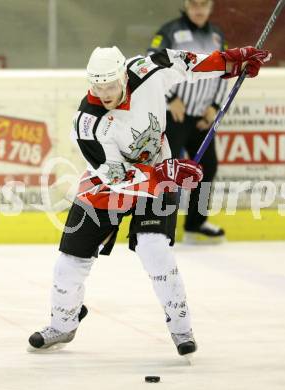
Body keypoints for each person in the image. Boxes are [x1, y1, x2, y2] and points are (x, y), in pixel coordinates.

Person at [28, 45, 271, 355]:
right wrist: (166, 174)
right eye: (97, 85)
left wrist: (232, 63)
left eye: (110, 85)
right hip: (109, 181)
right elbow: (117, 178)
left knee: (154, 248)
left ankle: (181, 329)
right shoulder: (87, 124)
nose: (104, 93)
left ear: (123, 76)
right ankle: (63, 324)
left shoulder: (148, 68)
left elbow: (191, 64)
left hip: (157, 169)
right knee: (70, 259)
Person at [148, 0, 229, 244]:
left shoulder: (217, 36)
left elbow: (224, 72)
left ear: (210, 6)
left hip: (203, 117)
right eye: (194, 4)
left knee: (208, 168)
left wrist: (214, 106)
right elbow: (151, 63)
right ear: (186, 4)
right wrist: (171, 98)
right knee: (167, 170)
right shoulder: (169, 31)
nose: (199, 9)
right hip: (175, 116)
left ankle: (195, 224)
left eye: (203, 4)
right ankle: (159, 224)